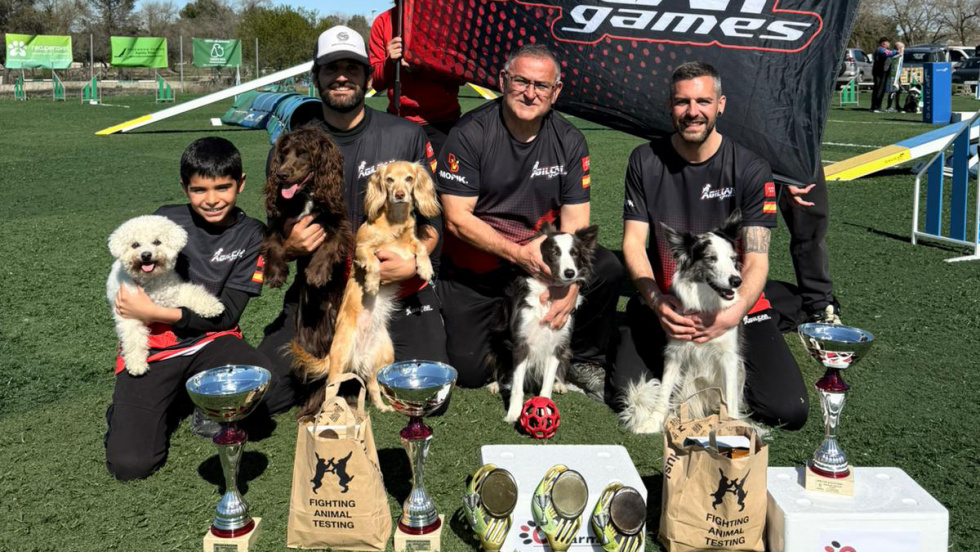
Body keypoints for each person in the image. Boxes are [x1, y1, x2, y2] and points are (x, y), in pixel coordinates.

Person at [612, 61, 808, 430]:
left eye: (703, 101)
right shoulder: (644, 160)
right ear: (670, 106)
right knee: (625, 391)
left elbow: (757, 259)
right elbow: (633, 244)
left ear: (720, 105)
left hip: (736, 307)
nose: (692, 112)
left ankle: (765, 328)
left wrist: (734, 313)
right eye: (682, 102)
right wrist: (656, 301)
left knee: (788, 410)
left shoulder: (751, 167)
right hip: (668, 304)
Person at [258, 25, 448, 405]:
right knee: (265, 394)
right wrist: (292, 247)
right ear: (316, 77)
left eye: (352, 68)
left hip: (393, 290)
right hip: (321, 292)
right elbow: (274, 229)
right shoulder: (292, 146)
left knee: (429, 394)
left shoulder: (405, 135)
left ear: (368, 77)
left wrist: (413, 262)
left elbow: (433, 224)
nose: (342, 77)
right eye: (331, 68)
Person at [436, 44, 624, 394]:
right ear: (503, 80)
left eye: (541, 85)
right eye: (521, 81)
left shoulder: (569, 140)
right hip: (479, 267)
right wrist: (519, 254)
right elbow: (456, 219)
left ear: (556, 92)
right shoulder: (470, 133)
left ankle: (583, 359)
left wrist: (570, 285)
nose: (530, 93)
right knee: (469, 370)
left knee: (607, 268)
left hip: (543, 259)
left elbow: (576, 223)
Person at [105, 137, 291, 481]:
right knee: (131, 464)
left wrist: (158, 313)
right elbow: (126, 274)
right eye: (199, 190)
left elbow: (228, 314)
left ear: (240, 183)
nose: (212, 199)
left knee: (267, 383)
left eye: (223, 187)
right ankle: (144, 408)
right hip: (157, 347)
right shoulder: (163, 219)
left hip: (211, 340)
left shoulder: (252, 235)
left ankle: (200, 401)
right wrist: (134, 306)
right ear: (184, 187)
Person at [368, 0, 465, 154]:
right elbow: (376, 82)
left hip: (443, 123)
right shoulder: (383, 22)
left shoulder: (446, 21)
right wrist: (390, 63)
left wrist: (425, 64)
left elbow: (460, 76)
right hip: (398, 121)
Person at [871, 37, 902, 113]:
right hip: (879, 72)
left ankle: (876, 106)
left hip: (881, 72)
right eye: (888, 42)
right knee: (879, 89)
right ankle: (876, 107)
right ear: (883, 43)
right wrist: (897, 51)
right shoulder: (881, 49)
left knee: (880, 89)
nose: (889, 44)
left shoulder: (881, 49)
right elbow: (889, 53)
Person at [886, 42, 905, 113]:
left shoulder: (900, 54)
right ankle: (889, 106)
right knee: (893, 90)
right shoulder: (895, 53)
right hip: (894, 74)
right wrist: (898, 51)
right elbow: (890, 54)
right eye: (902, 47)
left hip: (898, 74)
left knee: (898, 90)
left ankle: (897, 105)